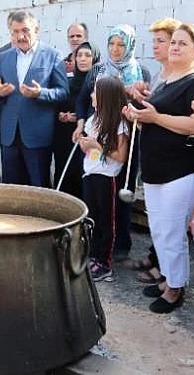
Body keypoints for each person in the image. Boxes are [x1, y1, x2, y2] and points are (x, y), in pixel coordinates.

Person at [127, 23, 194, 314]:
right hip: (157, 169)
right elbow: (154, 119)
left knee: (172, 233)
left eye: (182, 43)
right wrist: (138, 113)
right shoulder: (167, 81)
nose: (174, 47)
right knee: (160, 232)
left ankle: (175, 289)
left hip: (182, 170)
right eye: (173, 42)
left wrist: (155, 118)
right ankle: (168, 279)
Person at [75, 24, 151, 262]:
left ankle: (119, 244)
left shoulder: (141, 71)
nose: (116, 49)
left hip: (126, 136)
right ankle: (97, 244)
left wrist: (129, 94)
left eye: (121, 44)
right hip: (97, 134)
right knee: (98, 192)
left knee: (122, 190)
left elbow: (145, 105)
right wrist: (80, 126)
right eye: (112, 44)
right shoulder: (98, 69)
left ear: (130, 46)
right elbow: (82, 100)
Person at [126, 17, 181, 283]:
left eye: (161, 41)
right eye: (154, 41)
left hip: (172, 162)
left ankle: (168, 277)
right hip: (155, 158)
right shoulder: (161, 76)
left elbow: (187, 124)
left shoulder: (185, 80)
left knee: (169, 225)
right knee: (158, 222)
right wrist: (138, 104)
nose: (155, 46)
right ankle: (157, 260)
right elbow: (152, 113)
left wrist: (150, 115)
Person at [0, 10, 69, 187]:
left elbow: (63, 91)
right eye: (16, 32)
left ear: (36, 30)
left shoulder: (52, 55)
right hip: (9, 135)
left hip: (37, 135)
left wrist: (40, 93)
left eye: (25, 30)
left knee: (39, 188)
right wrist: (0, 93)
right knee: (11, 189)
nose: (21, 36)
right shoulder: (4, 57)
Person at [80, 77, 129, 282]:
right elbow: (87, 147)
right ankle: (93, 256)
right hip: (90, 173)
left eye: (95, 92)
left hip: (107, 177)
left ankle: (105, 263)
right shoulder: (93, 119)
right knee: (92, 219)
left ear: (106, 97)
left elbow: (121, 156)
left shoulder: (119, 123)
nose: (91, 95)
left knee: (106, 221)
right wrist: (84, 143)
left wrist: (96, 146)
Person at [53, 41, 100, 198]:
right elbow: (58, 104)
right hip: (66, 137)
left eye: (87, 55)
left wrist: (80, 120)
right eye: (79, 55)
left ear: (95, 58)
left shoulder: (98, 82)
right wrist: (61, 115)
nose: (82, 59)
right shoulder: (68, 82)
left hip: (88, 137)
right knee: (65, 174)